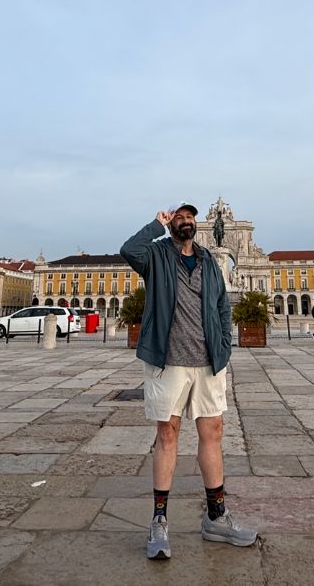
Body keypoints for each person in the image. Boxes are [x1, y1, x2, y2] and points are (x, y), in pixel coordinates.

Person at [121, 202, 258, 561]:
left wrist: (224, 346)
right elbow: (128, 250)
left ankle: (216, 516)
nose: (185, 222)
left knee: (212, 432)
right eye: (179, 217)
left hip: (208, 361)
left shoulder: (210, 261)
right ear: (171, 224)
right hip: (168, 362)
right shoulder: (155, 256)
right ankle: (159, 521)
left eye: (189, 218)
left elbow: (221, 305)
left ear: (198, 225)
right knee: (167, 435)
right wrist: (155, 224)